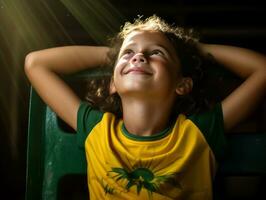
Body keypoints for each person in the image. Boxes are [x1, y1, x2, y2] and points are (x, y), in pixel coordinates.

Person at [24, 15, 266, 199]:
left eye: (156, 52)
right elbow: (35, 63)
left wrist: (194, 51)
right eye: (129, 53)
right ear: (113, 85)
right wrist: (114, 54)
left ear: (182, 84)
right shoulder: (98, 131)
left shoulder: (198, 134)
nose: (138, 57)